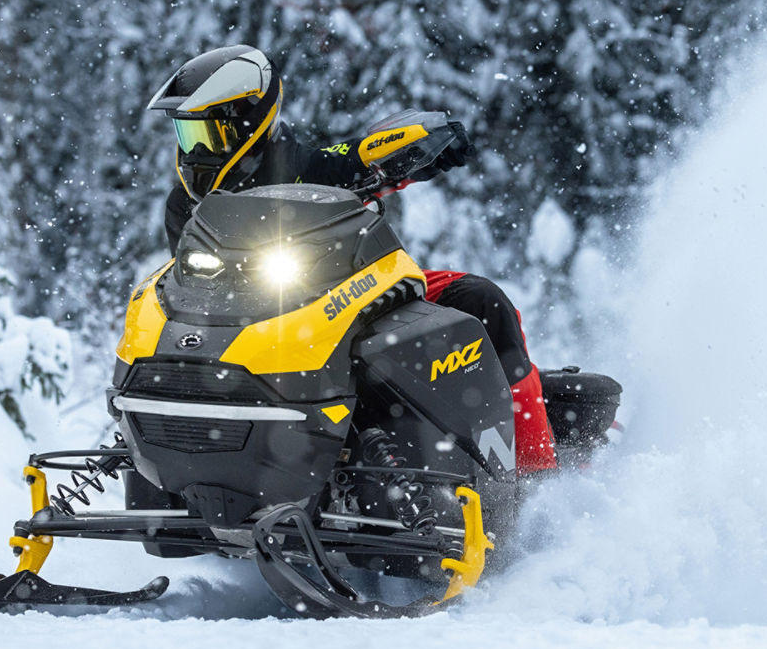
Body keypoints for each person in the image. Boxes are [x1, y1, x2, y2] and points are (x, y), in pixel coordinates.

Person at [147, 44, 558, 473]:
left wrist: (421, 147)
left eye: (205, 134)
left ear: (246, 122)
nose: (194, 150)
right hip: (243, 324)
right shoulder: (185, 205)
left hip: (343, 295)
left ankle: (533, 473)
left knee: (482, 301)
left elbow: (355, 159)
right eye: (187, 134)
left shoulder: (301, 165)